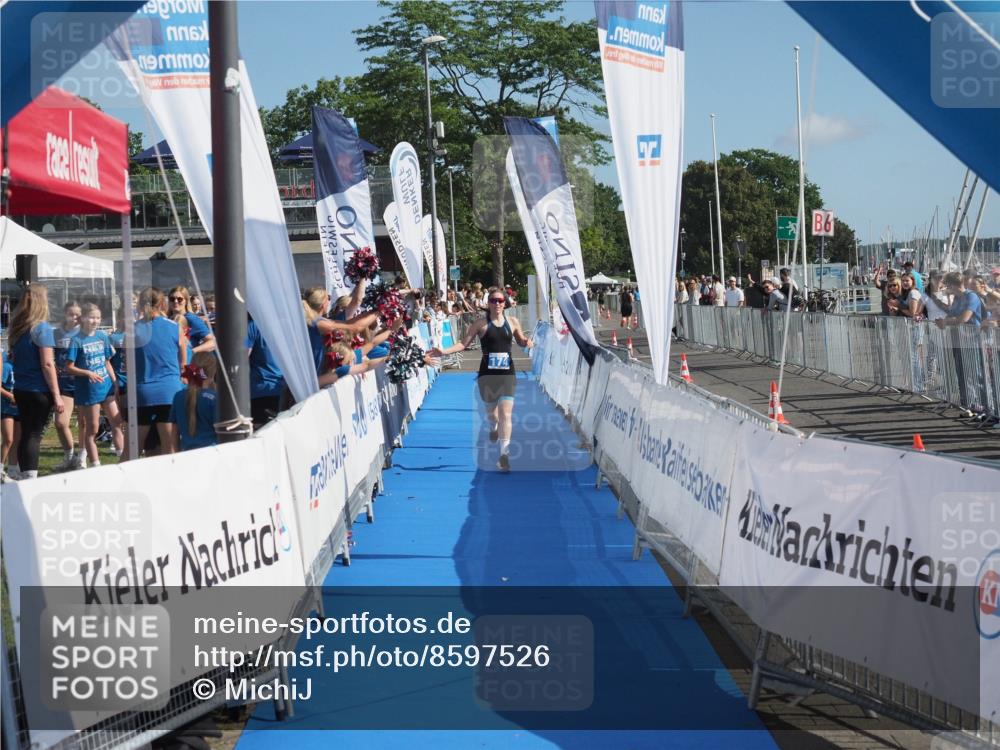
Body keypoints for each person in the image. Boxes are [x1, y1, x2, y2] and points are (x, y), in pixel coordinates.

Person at [429, 287, 533, 472]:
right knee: (492, 414)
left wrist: (527, 342)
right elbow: (463, 344)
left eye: (500, 300)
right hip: (487, 375)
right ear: (488, 304)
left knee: (506, 414)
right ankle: (493, 426)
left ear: (505, 303)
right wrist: (443, 352)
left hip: (507, 373)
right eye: (493, 300)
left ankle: (504, 456)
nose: (497, 304)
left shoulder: (513, 321)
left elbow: (521, 340)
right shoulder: (480, 324)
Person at [8, 285, 65, 479]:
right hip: (39, 389)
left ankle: (24, 474)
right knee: (34, 435)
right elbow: (47, 363)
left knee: (26, 433)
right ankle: (31, 477)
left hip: (21, 388)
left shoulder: (18, 329)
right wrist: (57, 395)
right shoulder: (42, 329)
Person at [131, 287, 187, 459]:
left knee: (133, 450)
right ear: (162, 303)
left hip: (143, 391)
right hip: (169, 391)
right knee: (170, 449)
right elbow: (183, 362)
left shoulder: (133, 329)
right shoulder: (174, 327)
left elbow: (129, 364)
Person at [65, 303, 122, 468]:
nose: (95, 321)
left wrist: (115, 382)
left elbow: (107, 362)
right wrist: (87, 373)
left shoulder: (103, 336)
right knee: (92, 428)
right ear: (83, 318)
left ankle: (122, 459)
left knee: (117, 422)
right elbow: (69, 367)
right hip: (89, 391)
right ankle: (95, 464)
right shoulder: (76, 340)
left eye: (98, 317)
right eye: (92, 317)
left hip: (106, 387)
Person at [301, 287, 379, 375]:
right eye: (328, 298)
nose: (330, 301)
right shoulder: (319, 324)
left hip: (309, 376)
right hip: (309, 378)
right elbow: (355, 326)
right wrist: (380, 310)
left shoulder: (314, 321)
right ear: (323, 304)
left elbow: (355, 307)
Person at [52, 302, 83, 471]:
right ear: (65, 314)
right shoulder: (56, 333)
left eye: (78, 314)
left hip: (82, 383)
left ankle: (83, 457)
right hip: (65, 384)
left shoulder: (85, 333)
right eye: (72, 314)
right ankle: (69, 456)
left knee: (84, 422)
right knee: (60, 422)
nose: (75, 318)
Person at [170, 351, 219, 451]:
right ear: (214, 371)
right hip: (213, 455)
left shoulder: (178, 397)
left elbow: (174, 435)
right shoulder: (215, 398)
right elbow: (223, 432)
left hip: (187, 456)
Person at [246, 315, 285, 429]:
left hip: (261, 389)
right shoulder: (287, 325)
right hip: (285, 390)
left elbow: (242, 357)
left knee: (260, 433)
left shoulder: (253, 326)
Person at [168, 286, 215, 358]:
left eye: (179, 299)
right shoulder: (166, 319)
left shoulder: (191, 319)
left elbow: (212, 342)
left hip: (187, 364)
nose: (175, 301)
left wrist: (192, 351)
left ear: (186, 301)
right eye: (172, 299)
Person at [1, 349, 20, 481]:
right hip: (6, 408)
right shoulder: (6, 366)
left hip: (19, 409)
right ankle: (1, 467)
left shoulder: (23, 368)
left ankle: (13, 470)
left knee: (17, 441)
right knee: (8, 439)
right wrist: (11, 396)